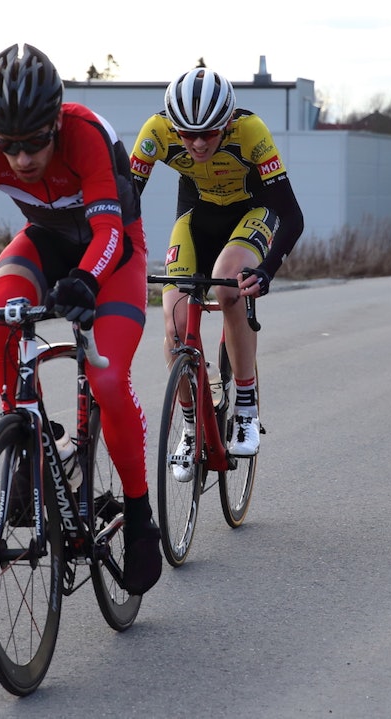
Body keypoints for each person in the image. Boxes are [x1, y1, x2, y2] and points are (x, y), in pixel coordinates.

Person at [0, 44, 160, 595]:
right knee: (0, 312)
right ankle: (30, 441)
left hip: (112, 253)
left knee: (109, 380)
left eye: (35, 142)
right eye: (6, 145)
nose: (20, 160)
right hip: (45, 241)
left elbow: (110, 230)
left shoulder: (84, 133)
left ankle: (139, 515)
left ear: (55, 122)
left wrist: (86, 282)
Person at [129, 68, 304, 460]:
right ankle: (191, 425)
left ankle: (245, 405)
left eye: (209, 132)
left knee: (228, 288)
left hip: (252, 212)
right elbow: (125, 202)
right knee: (174, 327)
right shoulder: (155, 132)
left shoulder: (250, 131)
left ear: (226, 122)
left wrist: (268, 269)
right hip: (197, 217)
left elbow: (292, 215)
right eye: (187, 134)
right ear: (173, 126)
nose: (197, 142)